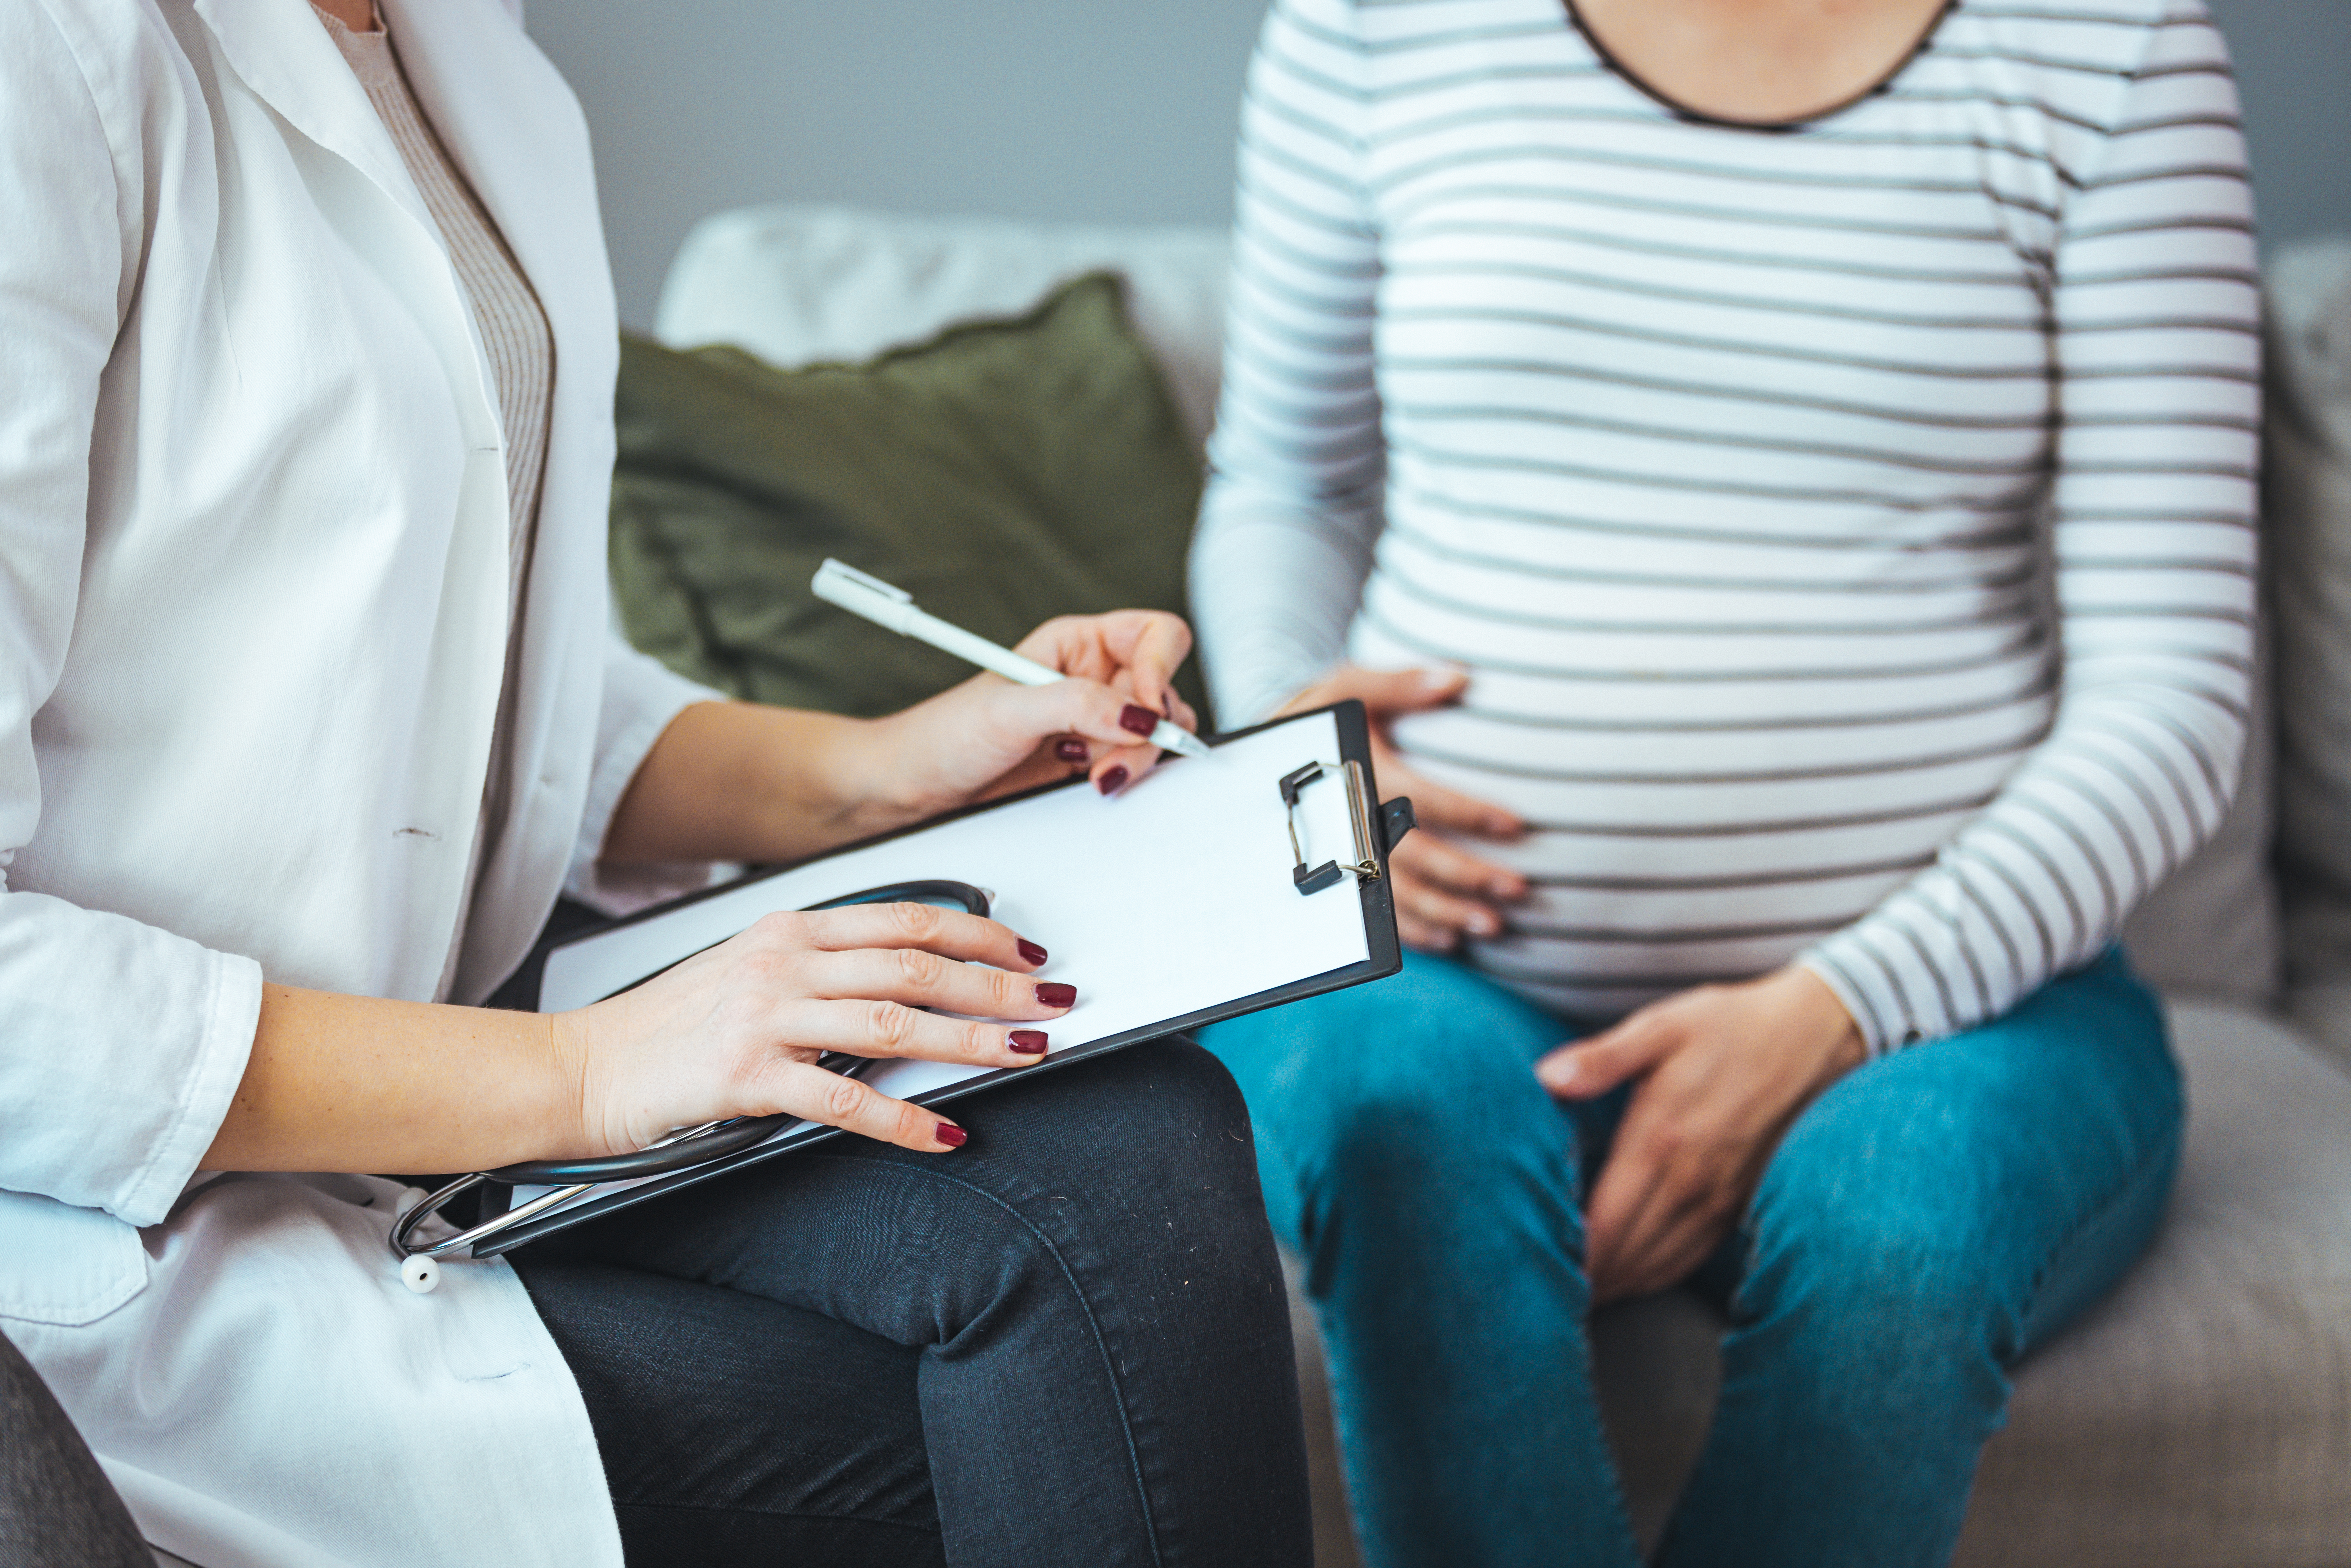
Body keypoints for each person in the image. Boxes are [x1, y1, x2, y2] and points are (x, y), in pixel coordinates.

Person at [0, 0, 1312, 1563]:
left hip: (427, 1087)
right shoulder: (52, 62)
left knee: (1129, 1144)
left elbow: (485, 675)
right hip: (137, 1208)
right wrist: (590, 1078)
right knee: (1082, 1357)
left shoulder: (459, 53)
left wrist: (888, 765)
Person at [1189, 0, 2255, 1563]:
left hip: (1969, 1005)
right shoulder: (1372, 23)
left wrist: (1839, 1007)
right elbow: (1287, 478)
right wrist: (1306, 764)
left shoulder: (2110, 41)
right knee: (1391, 1120)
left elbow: (2178, 692)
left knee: (1903, 1215)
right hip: (1439, 970)